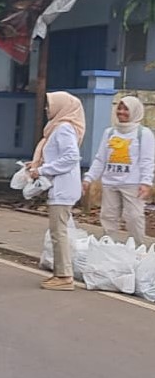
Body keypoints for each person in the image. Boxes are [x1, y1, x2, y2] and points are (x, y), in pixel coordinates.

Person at [27, 92, 84, 290]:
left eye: (50, 105)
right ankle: (61, 274)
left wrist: (42, 170)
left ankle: (64, 277)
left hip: (63, 189)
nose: (46, 109)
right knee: (58, 232)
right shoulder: (57, 129)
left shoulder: (63, 129)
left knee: (58, 233)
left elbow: (70, 157)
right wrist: (37, 166)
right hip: (60, 188)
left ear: (62, 107)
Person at [82, 95, 152, 246]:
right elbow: (100, 158)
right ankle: (109, 246)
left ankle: (139, 248)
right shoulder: (109, 132)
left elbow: (147, 160)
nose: (121, 112)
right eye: (119, 108)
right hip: (110, 183)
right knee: (108, 217)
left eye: (126, 109)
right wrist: (89, 178)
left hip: (132, 184)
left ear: (135, 111)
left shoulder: (143, 133)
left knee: (134, 217)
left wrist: (146, 182)